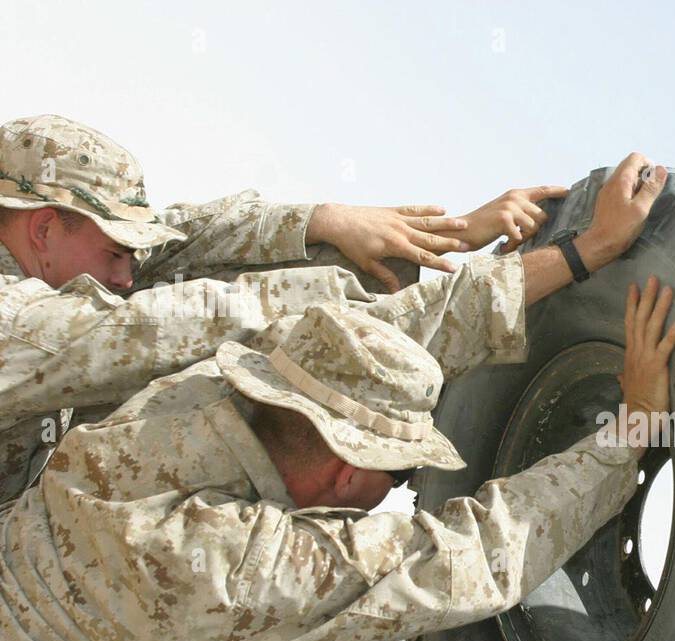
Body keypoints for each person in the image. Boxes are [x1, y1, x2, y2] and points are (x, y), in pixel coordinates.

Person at [0, 269, 675, 641]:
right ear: (344, 468)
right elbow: (471, 555)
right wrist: (628, 436)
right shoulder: (243, 571)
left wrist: (571, 256)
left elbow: (363, 340)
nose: (397, 490)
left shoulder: (185, 396)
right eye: (402, 470)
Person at [0, 113, 587, 504]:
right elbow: (151, 329)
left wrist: (442, 232)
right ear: (45, 227)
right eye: (114, 250)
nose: (128, 274)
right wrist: (338, 306)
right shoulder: (18, 322)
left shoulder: (46, 258)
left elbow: (188, 236)